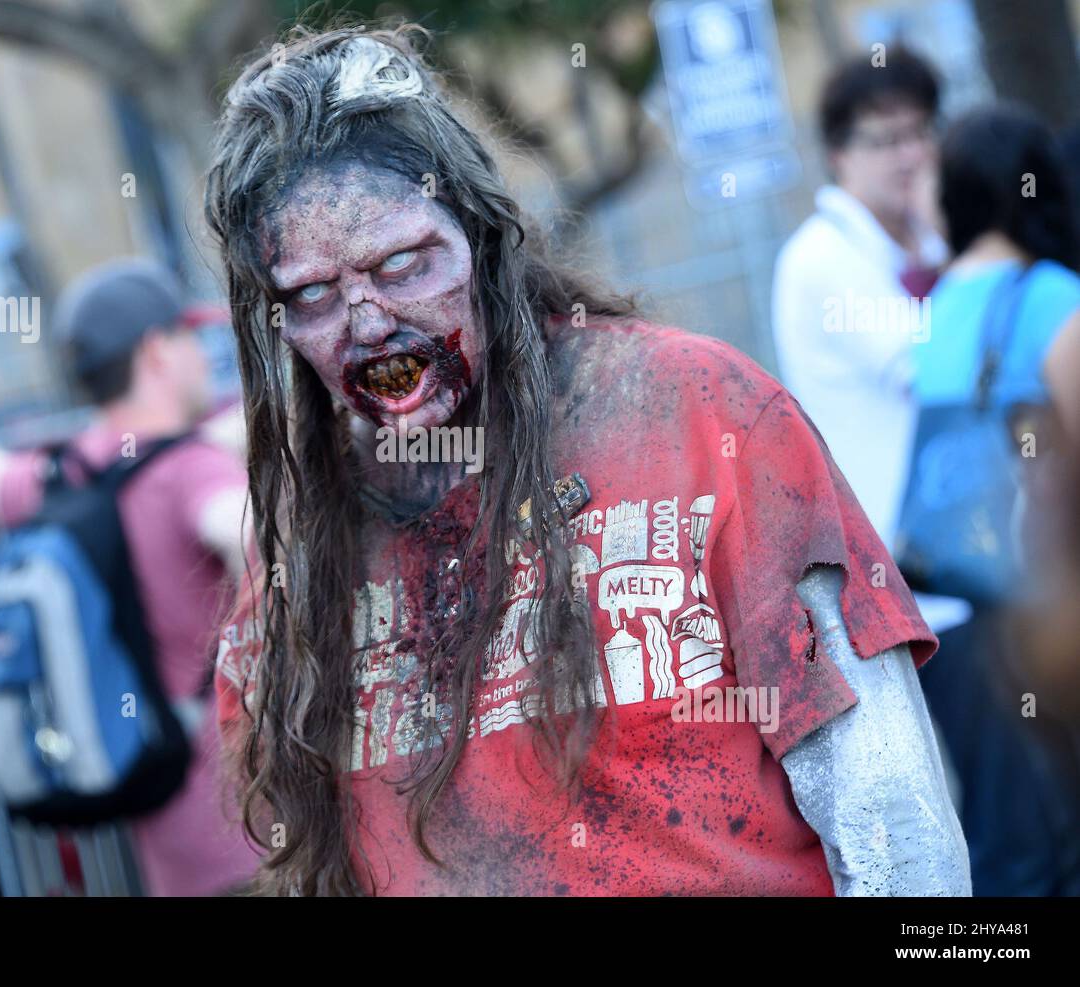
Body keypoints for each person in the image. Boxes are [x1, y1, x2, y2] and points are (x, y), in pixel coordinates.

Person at [206, 25, 970, 897]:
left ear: (480, 234)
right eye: (311, 295)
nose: (370, 323)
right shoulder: (301, 552)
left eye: (405, 264)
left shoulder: (701, 415)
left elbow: (892, 813)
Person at [0, 258, 260, 895]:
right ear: (157, 352)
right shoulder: (194, 470)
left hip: (168, 841)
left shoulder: (60, 478)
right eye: (192, 340)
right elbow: (235, 529)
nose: (203, 359)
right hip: (259, 836)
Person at [908, 104, 1080, 895]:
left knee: (1021, 844)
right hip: (1050, 604)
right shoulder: (1050, 296)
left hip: (964, 603)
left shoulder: (935, 308)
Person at [771, 48, 969, 637]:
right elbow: (933, 371)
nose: (911, 156)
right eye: (885, 141)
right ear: (839, 155)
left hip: (968, 567)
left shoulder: (927, 246)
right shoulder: (823, 256)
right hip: (907, 588)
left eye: (919, 134)